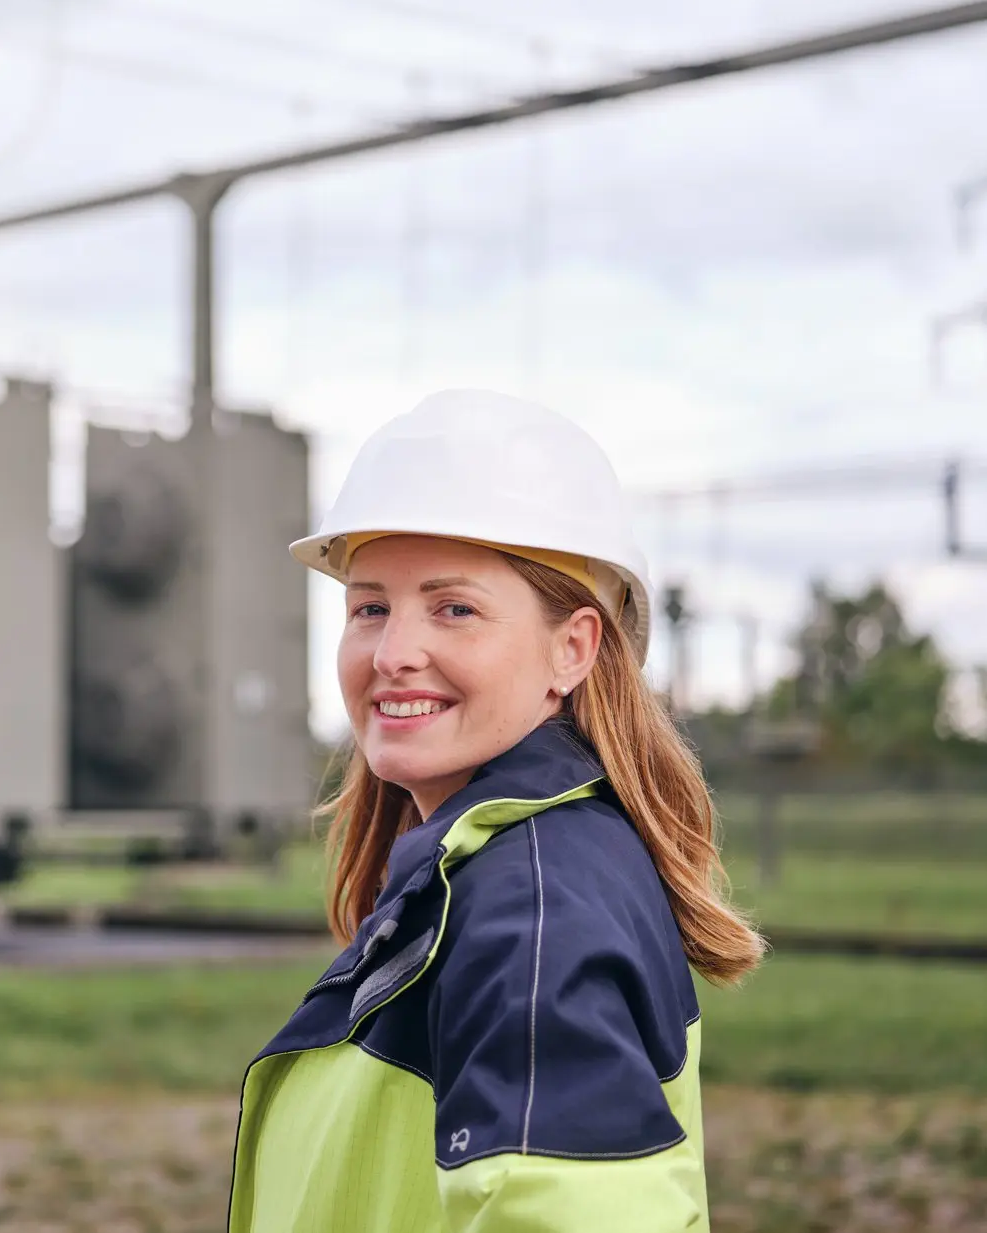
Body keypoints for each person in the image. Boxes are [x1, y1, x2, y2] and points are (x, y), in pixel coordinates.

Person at [228, 391, 764, 1233]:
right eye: (371, 606)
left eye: (455, 608)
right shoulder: (521, 864)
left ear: (573, 647)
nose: (396, 652)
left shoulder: (531, 908)